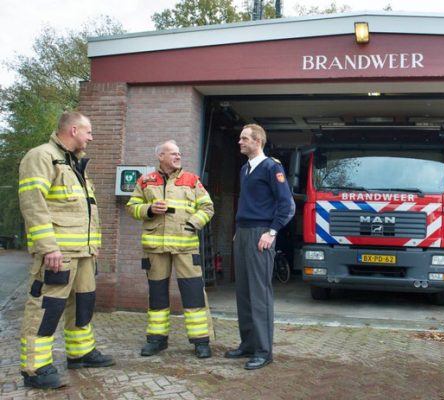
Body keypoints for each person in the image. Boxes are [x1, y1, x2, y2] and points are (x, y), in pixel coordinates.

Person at [18, 111, 114, 389]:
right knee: (47, 307)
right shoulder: (41, 156)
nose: (91, 137)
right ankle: (35, 368)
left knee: (83, 304)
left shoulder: (74, 163)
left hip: (83, 253)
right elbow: (33, 205)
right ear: (73, 130)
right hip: (58, 253)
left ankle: (80, 353)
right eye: (88, 131)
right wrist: (48, 247)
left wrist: (93, 246)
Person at [126, 140, 215, 359]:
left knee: (193, 294)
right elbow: (132, 207)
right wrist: (148, 209)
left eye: (179, 153)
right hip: (155, 248)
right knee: (157, 295)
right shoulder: (145, 181)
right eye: (173, 153)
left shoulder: (192, 180)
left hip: (185, 248)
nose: (178, 156)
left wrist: (192, 224)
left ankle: (201, 342)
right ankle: (157, 339)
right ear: (161, 156)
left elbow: (207, 207)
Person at [225, 124, 295, 370]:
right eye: (240, 138)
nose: (239, 142)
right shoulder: (245, 169)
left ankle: (264, 351)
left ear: (258, 141)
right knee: (243, 292)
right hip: (243, 234)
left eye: (244, 138)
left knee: (259, 294)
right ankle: (248, 344)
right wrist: (238, 232)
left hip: (260, 235)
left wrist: (271, 232)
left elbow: (286, 205)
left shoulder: (271, 167)